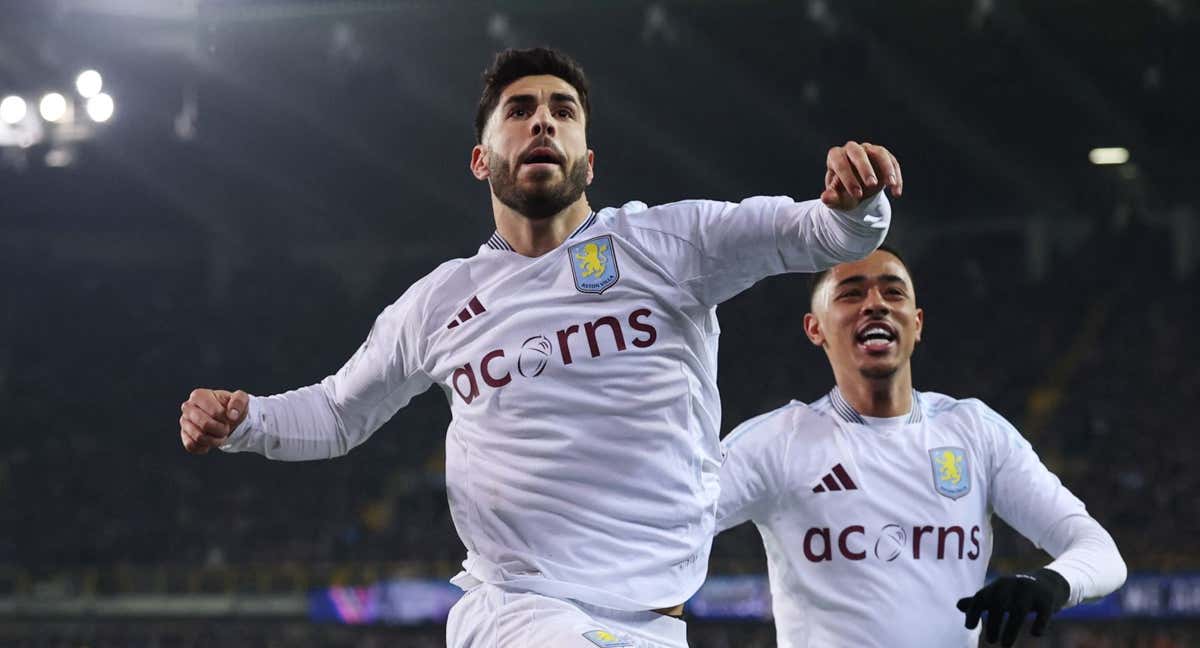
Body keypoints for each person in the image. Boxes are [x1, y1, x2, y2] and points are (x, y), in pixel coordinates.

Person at [177, 47, 902, 648]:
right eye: (519, 111)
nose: (542, 123)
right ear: (479, 157)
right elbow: (339, 414)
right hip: (521, 613)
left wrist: (857, 199)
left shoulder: (670, 245)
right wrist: (246, 422)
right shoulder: (438, 303)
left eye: (563, 111)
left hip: (653, 626)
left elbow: (826, 234)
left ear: (590, 158)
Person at [716, 247, 1127, 647]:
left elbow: (1102, 553)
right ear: (815, 327)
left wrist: (1052, 583)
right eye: (851, 293)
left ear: (917, 323)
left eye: (893, 292)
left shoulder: (975, 432)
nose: (875, 303)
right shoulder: (776, 443)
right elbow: (664, 523)